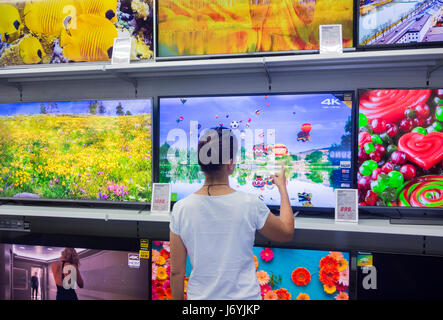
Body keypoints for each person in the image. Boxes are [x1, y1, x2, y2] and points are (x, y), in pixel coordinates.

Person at [170, 127, 294, 300]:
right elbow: (286, 233)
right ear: (230, 163)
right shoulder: (250, 204)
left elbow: (176, 272)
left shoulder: (181, 208)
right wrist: (282, 188)